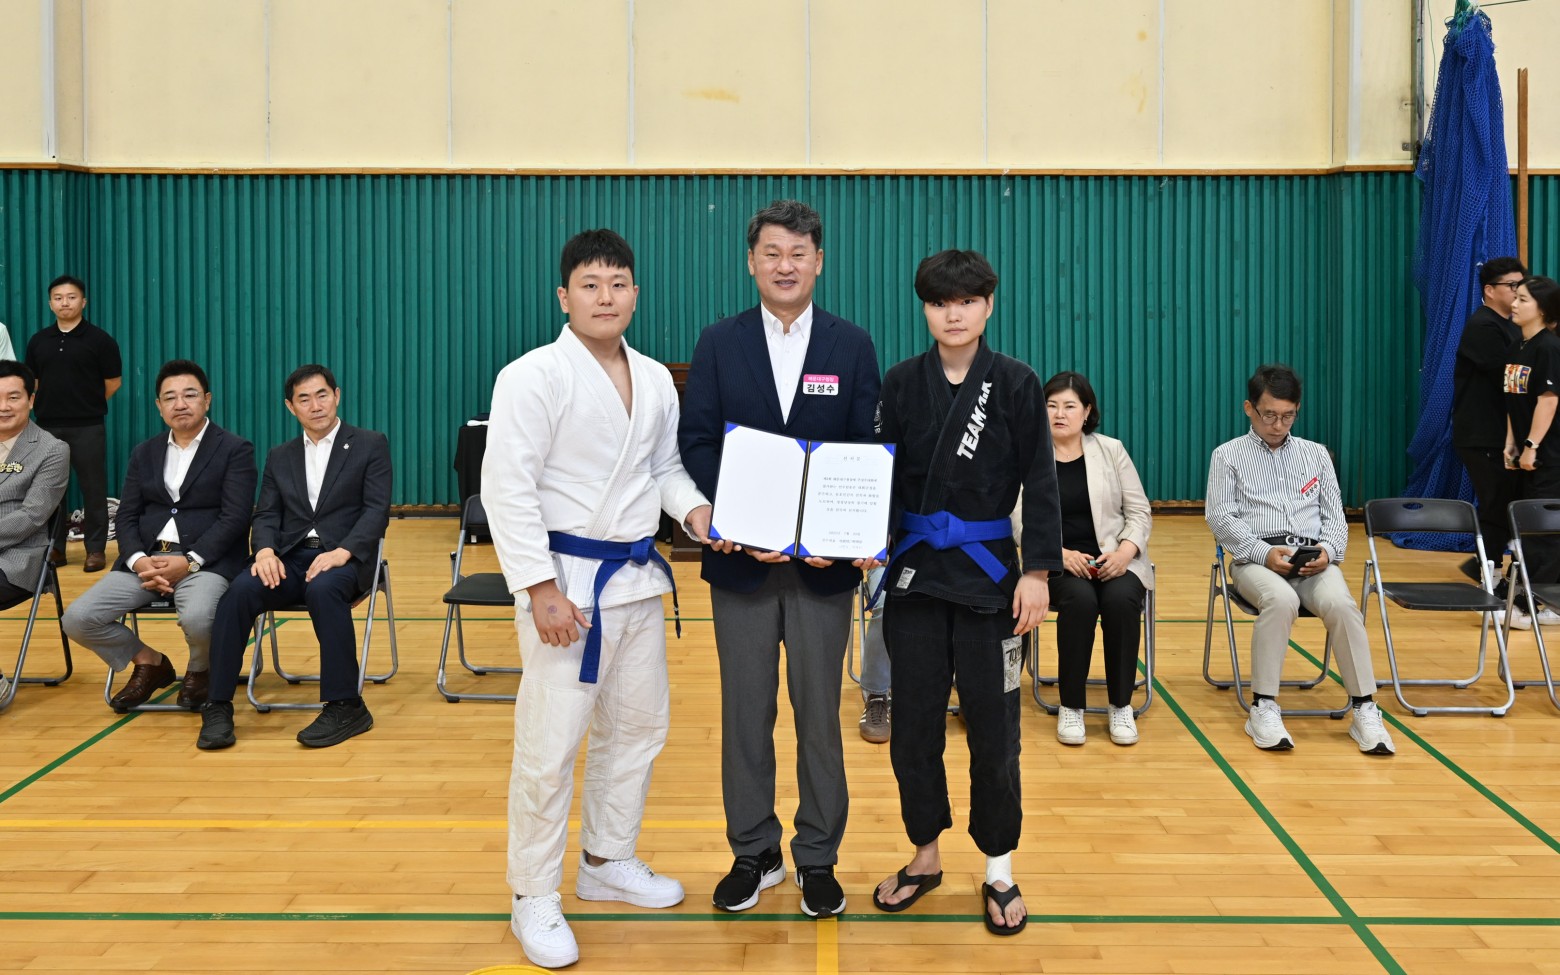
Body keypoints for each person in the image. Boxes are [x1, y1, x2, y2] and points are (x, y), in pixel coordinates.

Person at [484, 229, 712, 970]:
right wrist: (539, 587)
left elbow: (664, 468)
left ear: (635, 293)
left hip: (637, 579)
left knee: (638, 729)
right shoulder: (532, 375)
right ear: (564, 296)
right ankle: (532, 893)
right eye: (590, 284)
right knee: (550, 746)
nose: (605, 296)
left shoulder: (653, 378)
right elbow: (507, 486)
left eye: (618, 283)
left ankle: (607, 859)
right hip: (567, 584)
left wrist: (696, 512)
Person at [679, 200, 881, 919]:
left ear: (819, 261)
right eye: (772, 252)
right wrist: (733, 517)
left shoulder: (852, 345)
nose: (785, 265)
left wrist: (847, 536)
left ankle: (818, 856)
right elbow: (697, 440)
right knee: (746, 713)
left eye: (798, 252)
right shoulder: (718, 342)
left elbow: (864, 450)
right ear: (751, 261)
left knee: (820, 717)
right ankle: (754, 851)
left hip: (823, 570)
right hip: (741, 565)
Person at [870, 249, 1061, 936]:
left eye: (967, 301)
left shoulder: (1016, 383)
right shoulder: (900, 383)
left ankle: (999, 867)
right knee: (914, 729)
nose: (953, 314)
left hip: (992, 583)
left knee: (995, 731)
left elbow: (1041, 479)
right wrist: (866, 541)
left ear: (989, 305)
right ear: (925, 308)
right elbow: (880, 475)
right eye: (939, 302)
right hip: (918, 577)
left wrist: (1037, 572)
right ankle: (925, 855)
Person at [195, 364, 391, 751]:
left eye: (322, 395)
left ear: (337, 396)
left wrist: (342, 552)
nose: (315, 406)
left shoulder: (370, 444)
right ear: (291, 407)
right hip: (291, 555)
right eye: (304, 399)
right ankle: (217, 704)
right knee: (239, 592)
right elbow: (267, 513)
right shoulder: (280, 455)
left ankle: (346, 705)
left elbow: (376, 511)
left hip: (347, 557)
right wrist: (265, 550)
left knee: (324, 590)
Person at [1206, 363, 1395, 756]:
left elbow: (1335, 517)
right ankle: (1263, 706)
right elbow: (1220, 517)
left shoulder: (1316, 455)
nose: (1278, 424)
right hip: (1255, 559)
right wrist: (1263, 553)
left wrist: (1328, 551)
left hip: (1313, 558)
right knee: (1281, 600)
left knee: (1342, 604)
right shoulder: (1227, 456)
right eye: (1269, 415)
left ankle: (1364, 708)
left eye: (1288, 415)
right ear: (1249, 408)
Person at [62, 360, 257, 712]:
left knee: (199, 617)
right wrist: (138, 560)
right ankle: (150, 663)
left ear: (207, 400)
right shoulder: (145, 452)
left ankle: (201, 669)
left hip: (205, 563)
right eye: (170, 397)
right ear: (159, 405)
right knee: (78, 618)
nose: (180, 404)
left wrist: (190, 561)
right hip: (146, 563)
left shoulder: (234, 449)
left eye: (189, 395)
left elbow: (236, 517)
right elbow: (127, 515)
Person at [1043, 370, 1152, 747]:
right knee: (1080, 601)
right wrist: (1058, 554)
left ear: (1087, 411)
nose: (1060, 414)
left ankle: (1120, 704)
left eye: (1069, 406)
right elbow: (1019, 520)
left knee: (1121, 601)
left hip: (1114, 558)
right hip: (1059, 561)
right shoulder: (1031, 454)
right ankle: (1071, 706)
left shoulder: (1111, 450)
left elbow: (1140, 511)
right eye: (1051, 405)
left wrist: (1124, 552)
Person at [25, 275, 122, 572]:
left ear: (83, 302)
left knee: (93, 489)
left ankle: (96, 549)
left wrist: (86, 403)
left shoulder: (100, 340)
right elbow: (33, 382)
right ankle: (55, 549)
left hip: (88, 426)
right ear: (50, 303)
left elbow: (113, 381)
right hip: (47, 426)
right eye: (58, 298)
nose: (64, 303)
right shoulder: (39, 341)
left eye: (71, 297)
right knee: (51, 489)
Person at [1452, 257, 1527, 590]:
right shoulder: (1483, 326)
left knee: (1506, 502)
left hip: (1503, 434)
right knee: (1496, 503)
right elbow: (1507, 376)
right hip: (1483, 434)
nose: (1518, 291)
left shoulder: (1510, 325)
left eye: (1521, 285)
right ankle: (1489, 574)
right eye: (1512, 285)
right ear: (1490, 290)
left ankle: (1493, 569)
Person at [0, 361, 70, 708]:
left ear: (30, 399)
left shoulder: (51, 449)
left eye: (13, 397)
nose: (3, 406)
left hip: (20, 557)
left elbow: (32, 516)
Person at [1502, 277, 1560, 599]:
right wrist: (1511, 442)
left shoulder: (1549, 347)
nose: (1514, 304)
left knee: (1544, 529)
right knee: (1525, 524)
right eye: (1515, 297)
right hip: (1526, 453)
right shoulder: (1516, 347)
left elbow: (1548, 401)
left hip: (1549, 455)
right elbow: (1513, 399)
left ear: (1542, 309)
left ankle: (1540, 601)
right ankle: (1523, 593)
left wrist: (1531, 446)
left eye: (1523, 300)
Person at [858, 568, 891, 743]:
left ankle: (969, 694)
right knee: (887, 604)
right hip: (886, 564)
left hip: (937, 565)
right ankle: (876, 696)